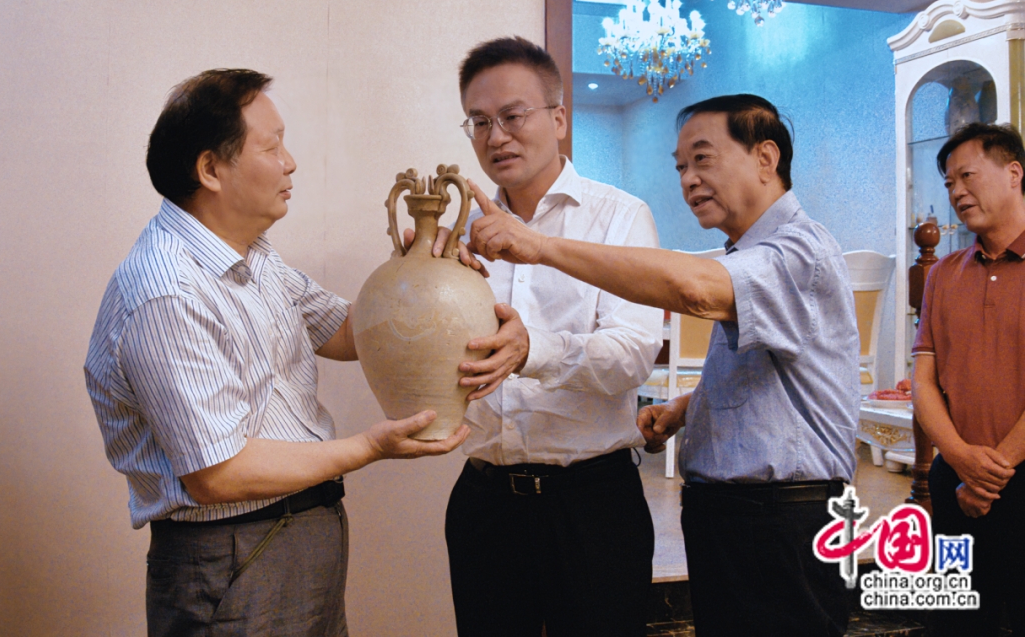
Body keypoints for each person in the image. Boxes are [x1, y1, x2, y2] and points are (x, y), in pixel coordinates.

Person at [84, 69, 515, 637]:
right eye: (272, 147)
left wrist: (418, 275)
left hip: (302, 532)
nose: (290, 163)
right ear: (210, 169)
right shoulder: (167, 291)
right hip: (232, 555)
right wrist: (369, 447)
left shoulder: (255, 258)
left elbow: (352, 334)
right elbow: (217, 473)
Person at [468, 93, 861, 637]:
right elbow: (781, 378)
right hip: (734, 515)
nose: (689, 180)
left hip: (784, 520)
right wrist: (689, 407)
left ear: (766, 158)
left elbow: (693, 290)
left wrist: (540, 247)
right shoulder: (748, 254)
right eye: (681, 167)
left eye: (703, 159)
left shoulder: (799, 251)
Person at [438, 37, 664, 637]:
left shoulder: (619, 217)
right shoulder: (460, 234)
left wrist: (530, 350)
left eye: (513, 116)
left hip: (591, 503)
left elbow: (632, 355)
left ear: (558, 119)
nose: (496, 137)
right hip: (484, 501)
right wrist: (420, 281)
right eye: (479, 122)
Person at [911, 122, 1025, 636]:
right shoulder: (942, 273)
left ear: (1014, 173)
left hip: (1010, 477)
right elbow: (923, 380)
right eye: (949, 182)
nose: (956, 192)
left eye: (967, 176)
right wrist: (960, 459)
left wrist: (989, 474)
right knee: (956, 626)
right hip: (955, 479)